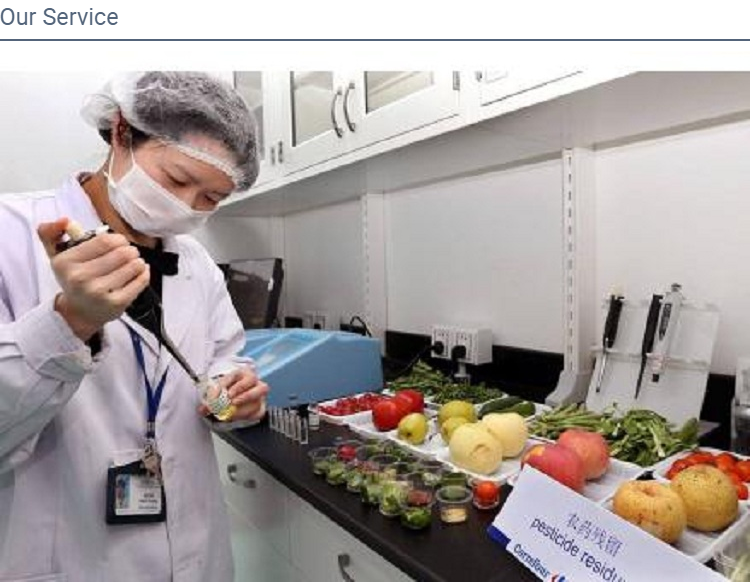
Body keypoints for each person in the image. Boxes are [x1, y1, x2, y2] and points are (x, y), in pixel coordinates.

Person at [0, 72, 269, 581]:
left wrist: (234, 399)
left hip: (195, 555)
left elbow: (222, 360)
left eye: (211, 199)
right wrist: (71, 321)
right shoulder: (11, 234)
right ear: (122, 131)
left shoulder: (197, 264)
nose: (187, 205)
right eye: (177, 180)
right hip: (70, 559)